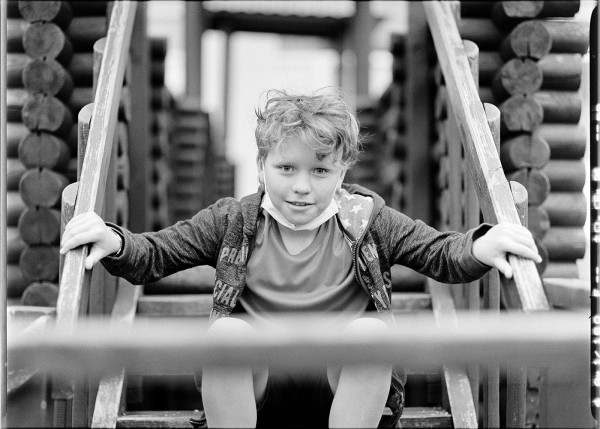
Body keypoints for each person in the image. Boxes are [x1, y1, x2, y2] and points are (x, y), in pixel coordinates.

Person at [60, 89, 542, 429]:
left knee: (374, 333)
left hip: (341, 386)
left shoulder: (367, 218)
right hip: (257, 388)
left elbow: (438, 253)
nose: (301, 187)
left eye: (320, 171)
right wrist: (114, 241)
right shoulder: (235, 220)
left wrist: (480, 245)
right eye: (286, 168)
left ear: (343, 171)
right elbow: (157, 253)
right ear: (262, 165)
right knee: (227, 334)